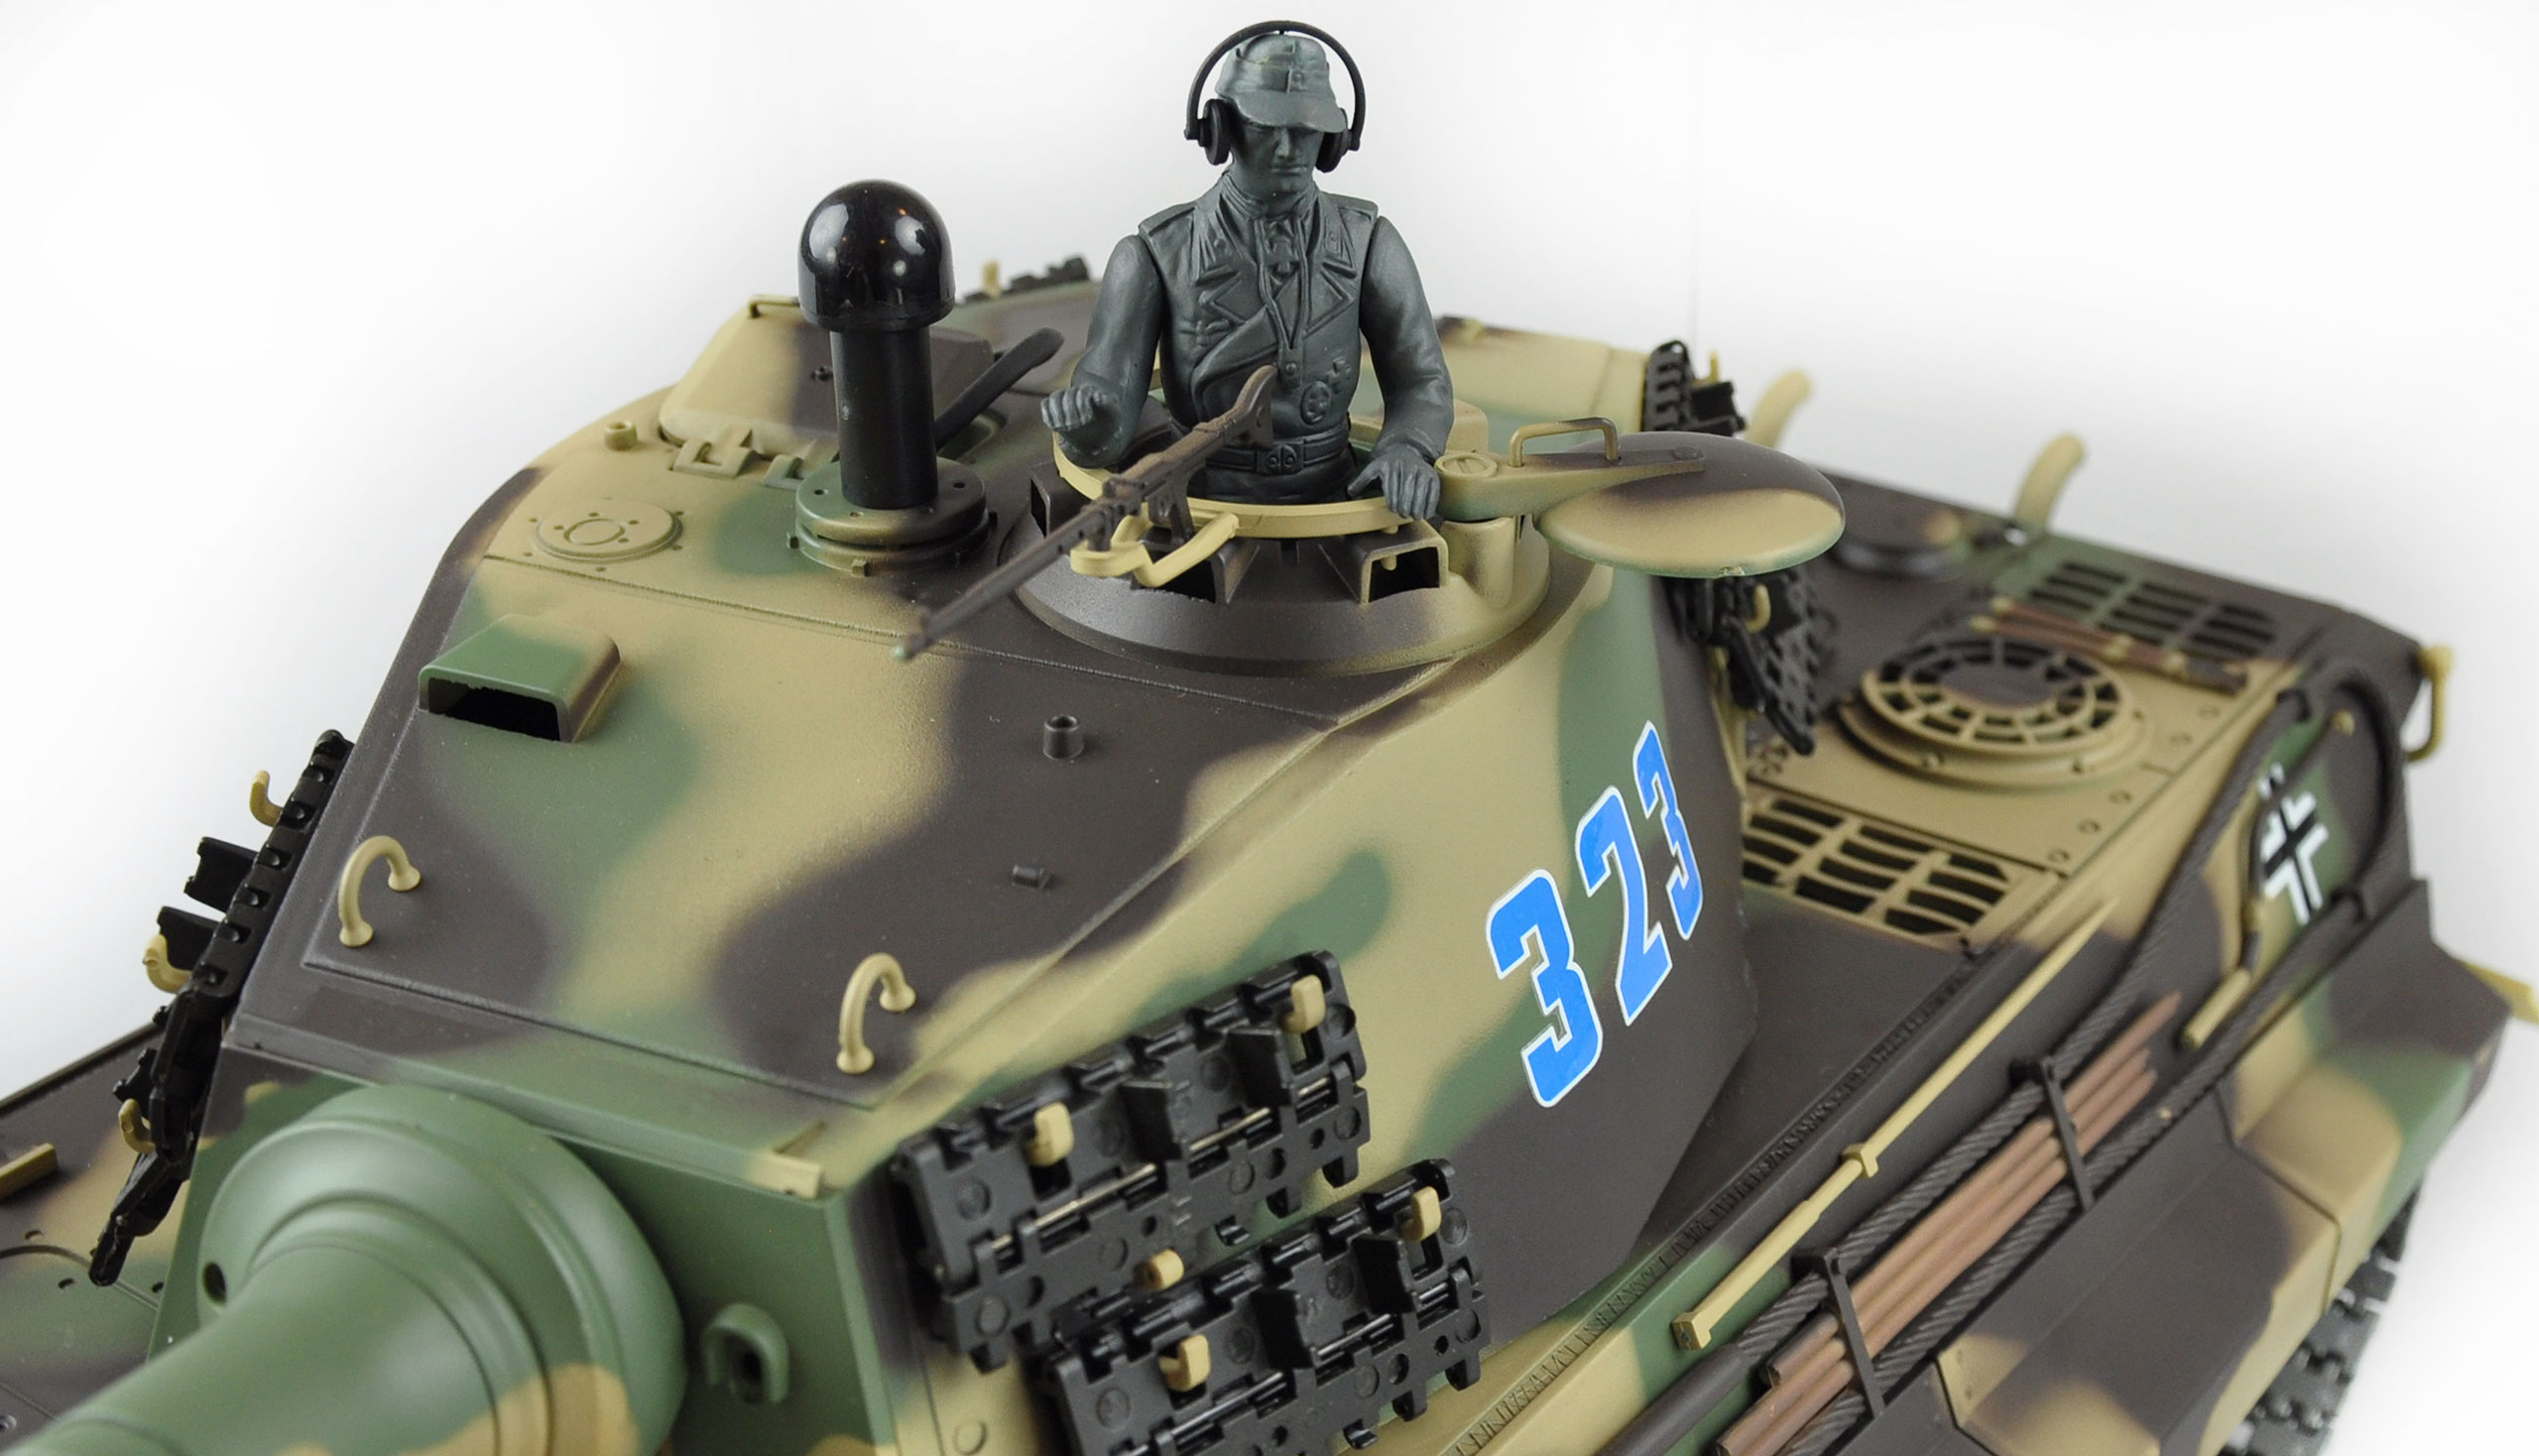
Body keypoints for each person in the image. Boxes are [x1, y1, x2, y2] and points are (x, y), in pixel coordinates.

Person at [1041, 30, 1454, 520]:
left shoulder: (1367, 244)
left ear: (1334, 140)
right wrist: (1089, 423)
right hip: (1198, 502)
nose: (1287, 149)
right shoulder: (1158, 254)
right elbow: (1108, 390)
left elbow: (1422, 380)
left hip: (1334, 498)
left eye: (1306, 130)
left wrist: (1406, 447)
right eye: (1265, 128)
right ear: (1222, 128)